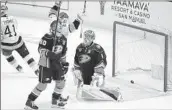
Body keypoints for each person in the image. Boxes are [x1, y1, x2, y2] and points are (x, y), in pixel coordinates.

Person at [24, 11, 83, 110]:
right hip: (46, 64)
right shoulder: (47, 37)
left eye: (59, 25)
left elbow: (63, 53)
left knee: (61, 82)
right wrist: (48, 53)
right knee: (43, 85)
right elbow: (40, 49)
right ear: (52, 28)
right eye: (56, 25)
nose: (59, 26)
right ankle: (29, 102)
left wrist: (64, 63)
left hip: (56, 64)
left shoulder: (63, 38)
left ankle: (55, 101)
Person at [1, 4, 39, 75]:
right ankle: (36, 70)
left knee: (8, 56)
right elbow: (15, 27)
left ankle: (17, 67)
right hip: (18, 42)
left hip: (6, 45)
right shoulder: (13, 18)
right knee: (27, 56)